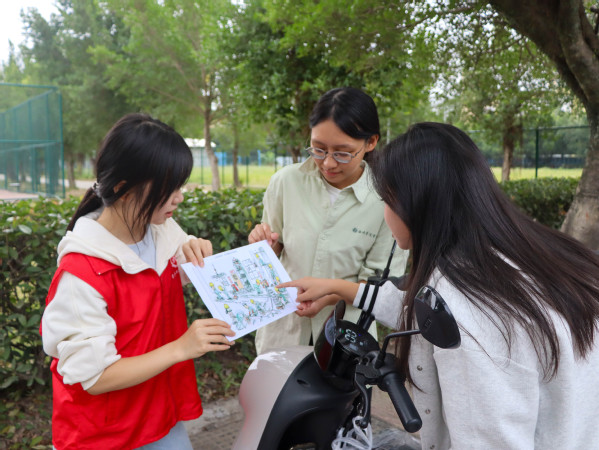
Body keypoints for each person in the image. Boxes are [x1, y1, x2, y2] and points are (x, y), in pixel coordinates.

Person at [279, 122, 599, 449]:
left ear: (415, 205)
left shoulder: (470, 317)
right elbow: (421, 309)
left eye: (386, 201)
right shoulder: (531, 258)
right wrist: (339, 289)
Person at [41, 113, 235, 450]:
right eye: (169, 188)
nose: (179, 197)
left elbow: (159, 284)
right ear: (124, 190)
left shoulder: (159, 229)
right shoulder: (81, 274)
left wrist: (196, 256)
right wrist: (181, 348)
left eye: (180, 185)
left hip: (158, 413)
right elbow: (95, 377)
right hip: (105, 433)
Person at [248, 87, 409, 354]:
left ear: (370, 142)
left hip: (346, 340)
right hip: (283, 330)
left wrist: (329, 296)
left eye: (343, 153)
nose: (328, 163)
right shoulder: (286, 182)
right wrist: (264, 244)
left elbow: (381, 286)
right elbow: (272, 252)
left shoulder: (387, 199)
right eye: (319, 149)